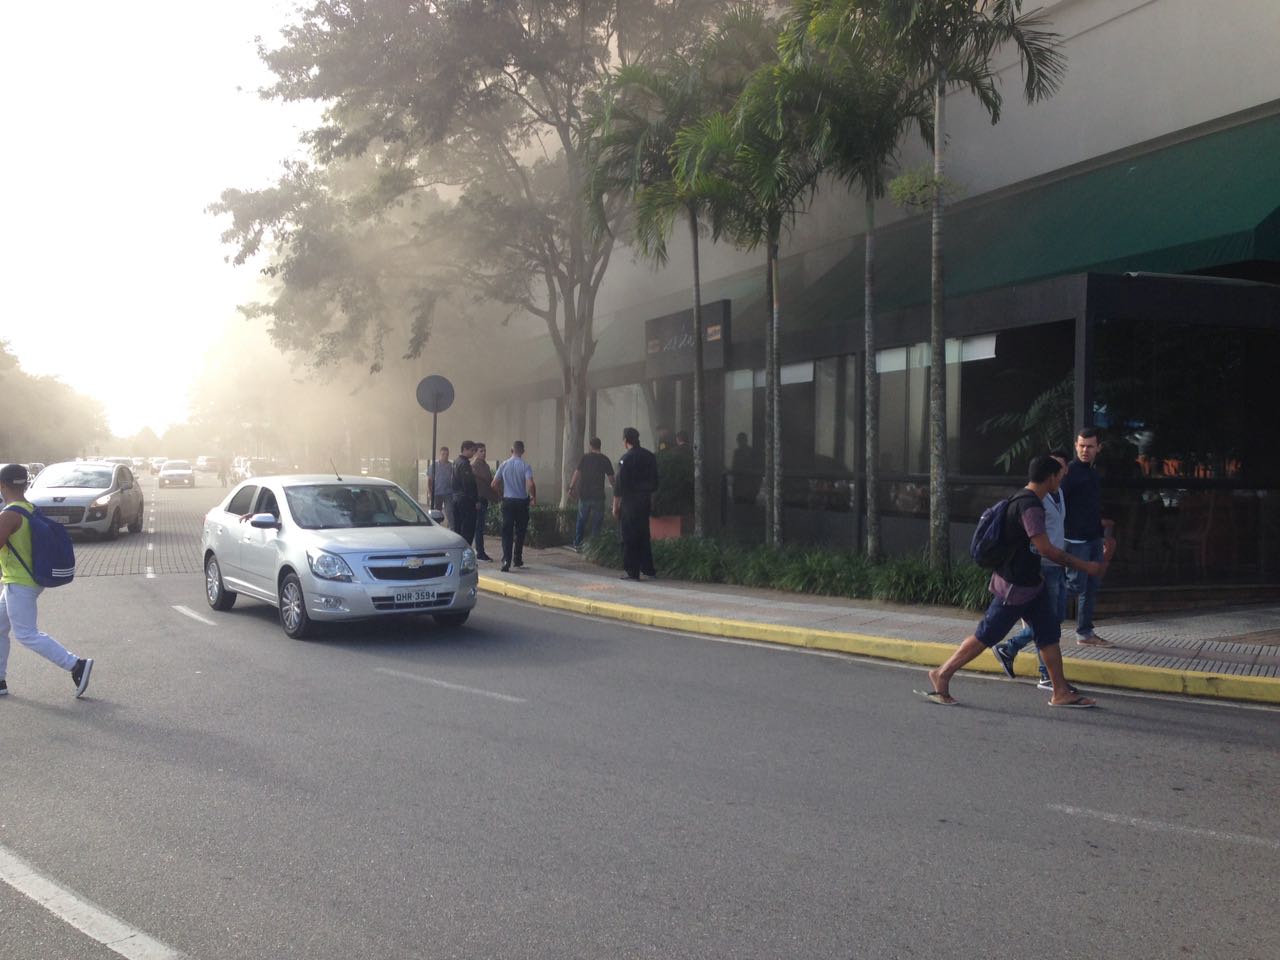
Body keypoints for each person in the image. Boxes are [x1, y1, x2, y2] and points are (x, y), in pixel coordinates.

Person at [921, 455, 1112, 708]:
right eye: (1060, 476)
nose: (1061, 481)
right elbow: (1046, 549)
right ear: (1051, 477)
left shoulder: (1026, 499)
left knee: (1048, 634)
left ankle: (1060, 692)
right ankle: (942, 674)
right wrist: (1085, 565)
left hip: (1032, 583)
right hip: (1016, 586)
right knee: (986, 634)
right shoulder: (1030, 506)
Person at [0, 463, 93, 699]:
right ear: (25, 484)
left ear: (2, 486)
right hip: (26, 579)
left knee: (26, 634)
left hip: (19, 583)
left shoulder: (9, 515)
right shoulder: (29, 507)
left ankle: (76, 665)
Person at [992, 449, 1072, 690]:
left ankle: (1020, 654)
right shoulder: (1034, 500)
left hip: (1057, 564)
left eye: (1059, 468)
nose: (1056, 474)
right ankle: (1019, 654)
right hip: (1044, 565)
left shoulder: (1059, 494)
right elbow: (1036, 537)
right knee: (1048, 621)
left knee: (1053, 620)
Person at [1061, 427, 1117, 645]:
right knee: (1074, 585)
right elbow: (1059, 503)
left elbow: (1091, 507)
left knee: (1091, 586)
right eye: (1081, 445)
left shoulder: (1093, 473)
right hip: (1074, 539)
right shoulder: (1070, 473)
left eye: (1090, 446)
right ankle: (1037, 612)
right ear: (1075, 446)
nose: (1085, 450)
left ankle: (1084, 632)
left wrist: (1101, 536)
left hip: (1093, 537)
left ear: (1098, 448)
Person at [613, 427, 659, 581]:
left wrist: (615, 507)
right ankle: (648, 569)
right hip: (644, 502)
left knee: (629, 537)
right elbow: (655, 482)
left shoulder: (625, 459)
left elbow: (618, 486)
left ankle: (632, 571)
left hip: (629, 504)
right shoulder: (650, 457)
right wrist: (651, 502)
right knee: (644, 535)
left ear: (626, 440)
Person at [492, 441, 535, 572]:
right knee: (520, 531)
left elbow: (494, 484)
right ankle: (517, 558)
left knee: (507, 532)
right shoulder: (525, 466)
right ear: (522, 451)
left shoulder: (504, 465)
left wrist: (501, 495)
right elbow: (531, 484)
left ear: (512, 450)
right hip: (521, 502)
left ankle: (506, 560)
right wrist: (532, 496)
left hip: (508, 501)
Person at [569, 437, 614, 550]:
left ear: (590, 446)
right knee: (597, 522)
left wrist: (571, 487)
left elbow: (577, 473)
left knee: (581, 520)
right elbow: (611, 478)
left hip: (584, 495)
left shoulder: (585, 458)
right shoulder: (605, 459)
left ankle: (578, 544)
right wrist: (616, 491)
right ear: (600, 446)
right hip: (598, 496)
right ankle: (594, 546)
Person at [470, 443, 497, 561]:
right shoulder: (474, 466)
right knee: (478, 527)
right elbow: (475, 485)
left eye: (485, 451)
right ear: (475, 452)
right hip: (478, 499)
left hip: (484, 498)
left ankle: (479, 551)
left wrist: (496, 496)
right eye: (481, 451)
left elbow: (490, 482)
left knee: (480, 527)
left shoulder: (485, 465)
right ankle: (479, 552)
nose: (484, 453)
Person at [451, 441, 478, 548]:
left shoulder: (456, 462)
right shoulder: (464, 463)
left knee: (458, 527)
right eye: (472, 450)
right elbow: (468, 484)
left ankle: (459, 550)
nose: (473, 453)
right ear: (465, 449)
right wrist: (474, 500)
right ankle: (465, 552)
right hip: (465, 500)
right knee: (467, 529)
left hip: (456, 498)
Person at [427, 447, 454, 528]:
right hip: (437, 493)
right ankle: (436, 528)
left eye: (447, 454)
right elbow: (429, 480)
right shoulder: (434, 465)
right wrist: (430, 492)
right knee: (436, 514)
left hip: (448, 493)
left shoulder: (451, 466)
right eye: (443, 454)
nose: (445, 456)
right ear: (440, 455)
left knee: (450, 513)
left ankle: (452, 529)